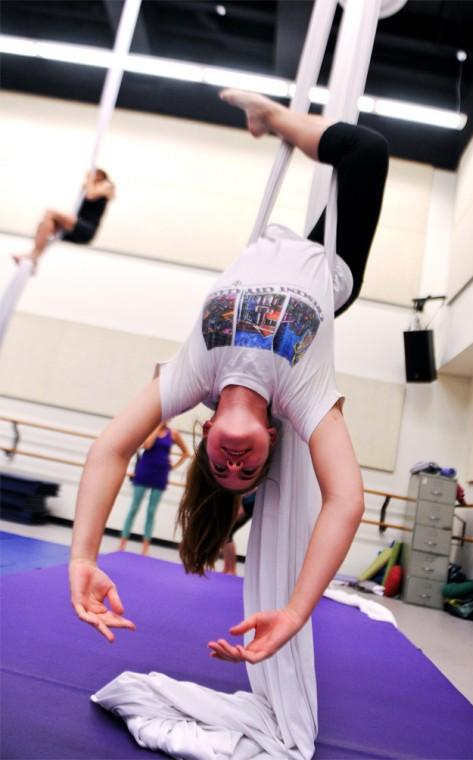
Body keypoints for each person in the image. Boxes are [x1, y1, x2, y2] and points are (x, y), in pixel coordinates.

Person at [69, 89, 388, 664]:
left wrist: (82, 557)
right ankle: (277, 119)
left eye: (223, 466)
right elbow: (345, 500)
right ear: (272, 438)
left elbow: (109, 450)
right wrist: (294, 611)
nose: (235, 462)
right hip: (328, 265)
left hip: (263, 250)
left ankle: (270, 120)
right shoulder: (302, 395)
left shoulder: (195, 375)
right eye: (249, 468)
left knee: (352, 153)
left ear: (209, 427)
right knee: (366, 152)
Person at [13, 169, 115, 268]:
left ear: (100, 175)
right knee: (44, 223)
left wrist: (90, 180)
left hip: (87, 229)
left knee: (50, 212)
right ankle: (34, 255)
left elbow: (90, 195)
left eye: (91, 175)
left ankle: (34, 255)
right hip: (75, 228)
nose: (88, 178)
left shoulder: (107, 185)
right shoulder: (88, 186)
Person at [119, 422, 190, 556]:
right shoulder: (149, 429)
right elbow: (147, 445)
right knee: (134, 507)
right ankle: (123, 542)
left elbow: (186, 453)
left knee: (151, 511)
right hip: (144, 471)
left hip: (161, 474)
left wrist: (173, 466)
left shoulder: (174, 434)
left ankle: (145, 548)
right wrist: (156, 427)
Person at [221, 491, 256, 575]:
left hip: (248, 501)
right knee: (226, 535)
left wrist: (241, 506)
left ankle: (231, 569)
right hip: (247, 500)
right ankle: (228, 568)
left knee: (226, 534)